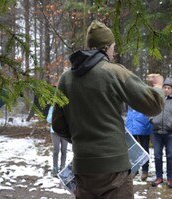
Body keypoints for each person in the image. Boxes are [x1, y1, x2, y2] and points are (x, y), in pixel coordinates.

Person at [52, 20, 164, 199]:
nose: (114, 51)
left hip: (83, 167)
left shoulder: (66, 78)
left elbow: (58, 125)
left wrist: (84, 143)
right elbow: (153, 105)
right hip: (114, 169)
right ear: (106, 47)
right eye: (113, 46)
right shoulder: (114, 72)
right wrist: (158, 87)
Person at [150, 77, 172, 188]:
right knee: (157, 156)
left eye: (168, 88)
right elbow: (149, 110)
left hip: (170, 133)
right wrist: (152, 119)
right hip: (156, 133)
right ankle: (159, 177)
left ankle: (170, 179)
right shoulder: (157, 98)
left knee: (170, 156)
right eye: (164, 87)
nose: (166, 89)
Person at [125, 106, 153, 181]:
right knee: (133, 149)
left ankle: (145, 170)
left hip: (143, 124)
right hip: (131, 124)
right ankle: (134, 169)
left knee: (144, 149)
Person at [47, 105, 68, 177]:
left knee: (64, 150)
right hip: (54, 132)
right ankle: (55, 168)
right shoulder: (52, 108)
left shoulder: (66, 107)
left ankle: (63, 167)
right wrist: (54, 113)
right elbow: (48, 119)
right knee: (56, 150)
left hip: (65, 132)